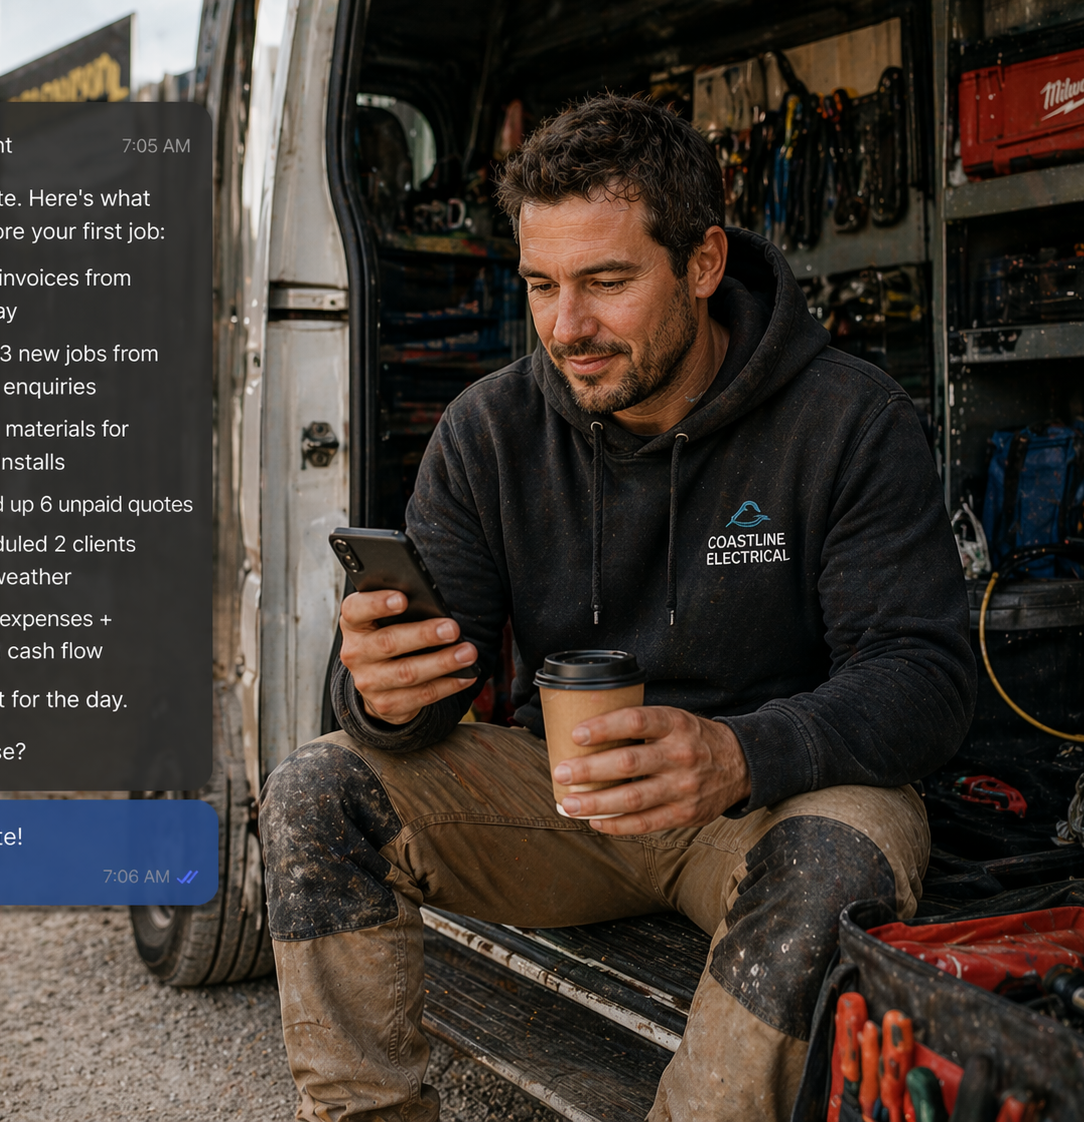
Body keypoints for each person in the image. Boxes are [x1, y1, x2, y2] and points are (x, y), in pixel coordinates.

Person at [260, 93, 974, 1122]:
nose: (567, 327)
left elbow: (925, 678)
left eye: (605, 282)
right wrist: (374, 689)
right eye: (541, 286)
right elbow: (412, 707)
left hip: (766, 805)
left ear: (701, 264)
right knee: (316, 789)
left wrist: (736, 754)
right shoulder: (488, 432)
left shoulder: (848, 419)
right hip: (570, 804)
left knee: (844, 844)